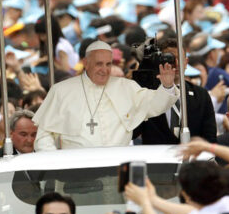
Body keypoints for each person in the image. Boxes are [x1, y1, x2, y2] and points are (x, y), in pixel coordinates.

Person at [33, 41, 179, 150]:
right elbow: (44, 137)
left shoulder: (126, 87)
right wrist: (58, 166)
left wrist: (166, 86)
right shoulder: (61, 91)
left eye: (108, 64)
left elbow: (155, 105)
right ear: (86, 63)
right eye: (99, 64)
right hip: (75, 176)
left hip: (117, 169)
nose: (104, 70)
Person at [133, 37, 217, 144]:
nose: (176, 64)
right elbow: (134, 132)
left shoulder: (200, 95)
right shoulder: (147, 93)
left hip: (192, 158)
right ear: (159, 61)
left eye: (180, 59)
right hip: (156, 158)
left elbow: (210, 138)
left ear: (186, 62)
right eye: (170, 59)